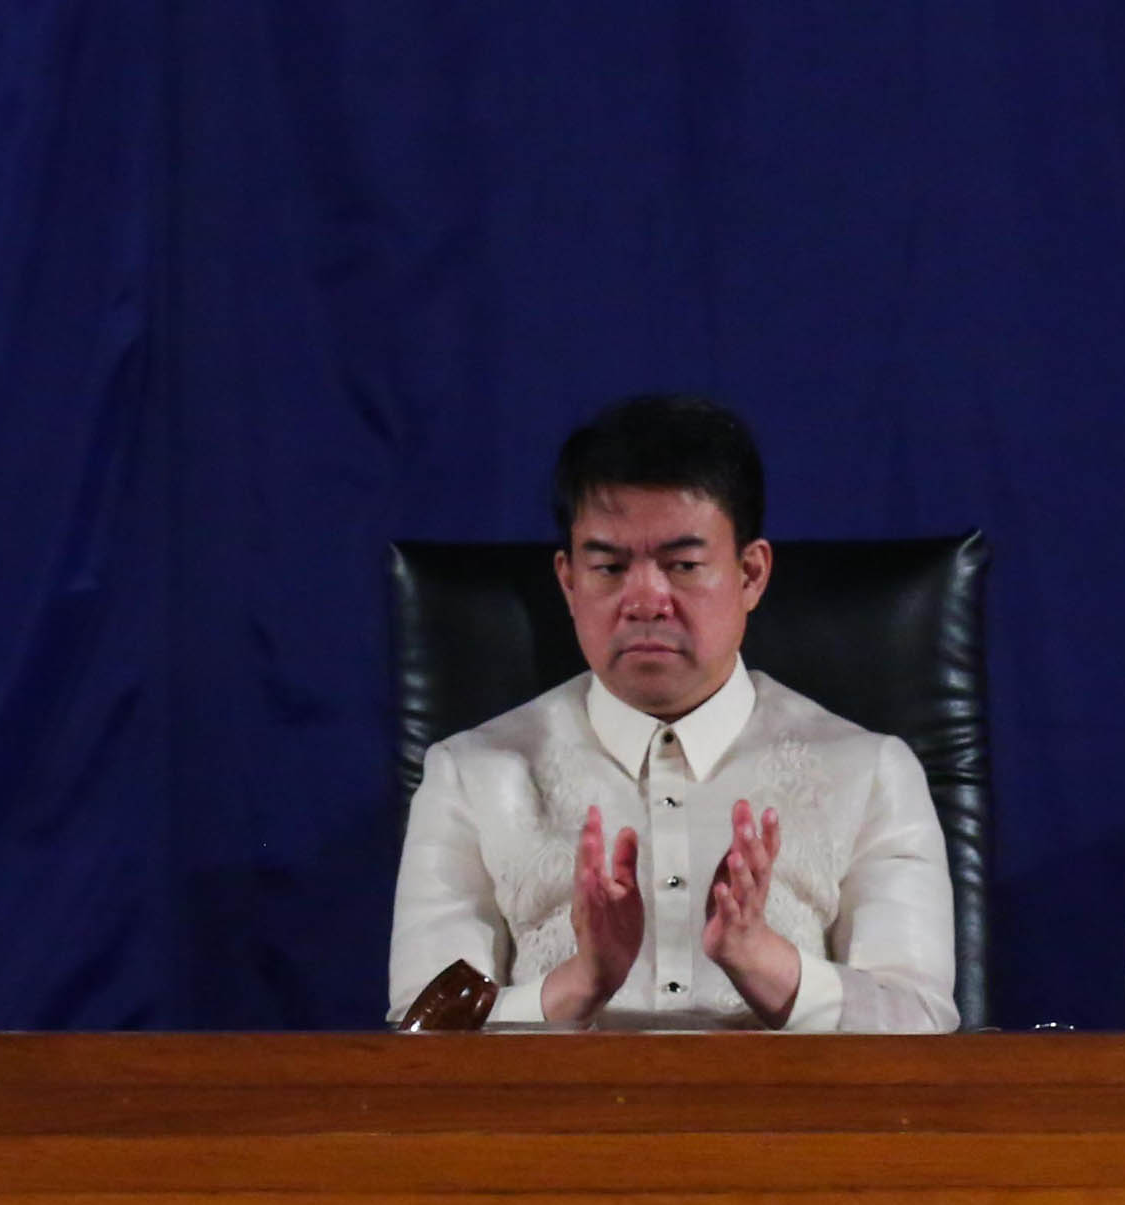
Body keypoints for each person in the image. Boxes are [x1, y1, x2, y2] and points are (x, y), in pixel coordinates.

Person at [386, 395, 958, 1031]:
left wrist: (765, 963)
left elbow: (923, 1023)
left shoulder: (872, 771)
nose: (645, 600)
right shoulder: (470, 775)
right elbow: (421, 1035)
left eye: (683, 566)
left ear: (750, 574)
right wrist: (580, 984)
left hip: (791, 1128)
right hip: (553, 1128)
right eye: (608, 567)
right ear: (568, 580)